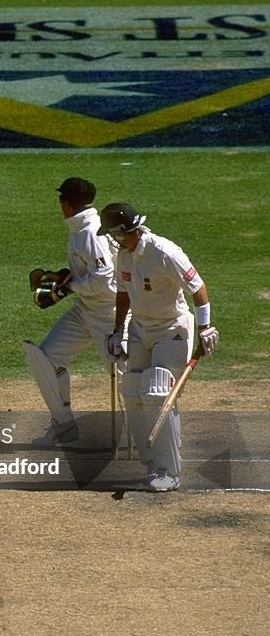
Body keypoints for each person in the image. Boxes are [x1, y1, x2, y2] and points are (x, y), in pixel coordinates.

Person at [99, 203, 218, 492]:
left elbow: (198, 288)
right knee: (133, 391)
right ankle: (152, 462)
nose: (112, 239)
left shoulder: (164, 252)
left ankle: (169, 471)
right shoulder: (124, 256)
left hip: (172, 329)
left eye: (113, 234)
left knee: (157, 392)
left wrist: (204, 328)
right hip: (140, 328)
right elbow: (124, 294)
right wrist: (118, 332)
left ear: (123, 231)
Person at [23, 177, 119, 445]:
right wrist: (66, 277)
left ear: (65, 204)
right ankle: (64, 427)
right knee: (47, 358)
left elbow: (103, 278)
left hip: (107, 315)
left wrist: (64, 291)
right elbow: (92, 270)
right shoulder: (82, 227)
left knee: (124, 381)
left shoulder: (90, 232)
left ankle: (148, 440)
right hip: (85, 309)